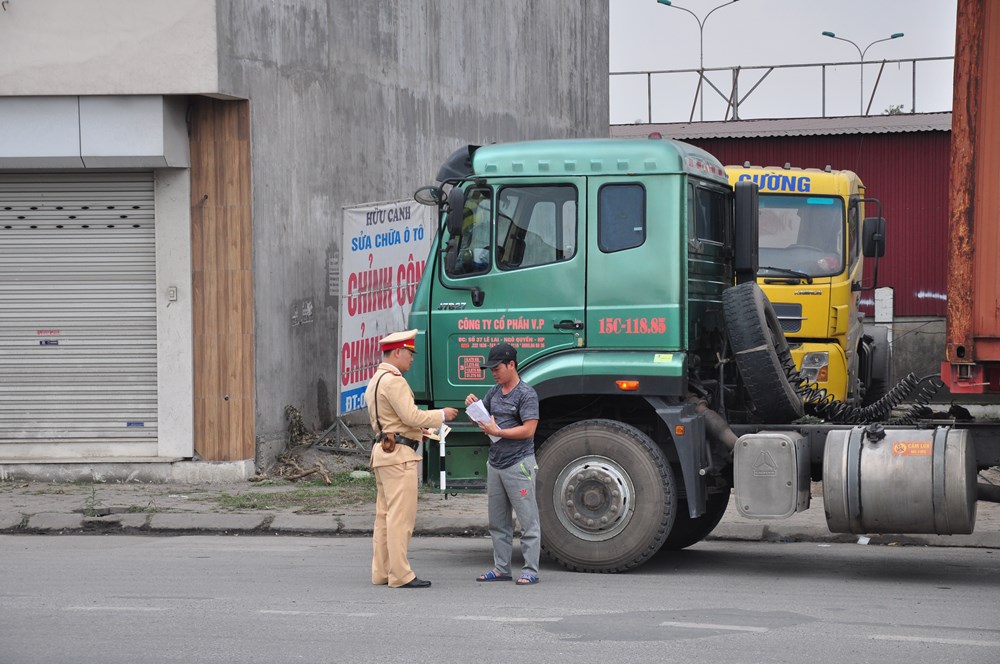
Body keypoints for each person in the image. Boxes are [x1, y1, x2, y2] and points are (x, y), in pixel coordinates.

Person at [365, 329, 458, 589]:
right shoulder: (395, 381)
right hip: (399, 457)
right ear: (397, 352)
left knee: (384, 517)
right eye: (409, 353)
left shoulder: (376, 379)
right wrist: (441, 415)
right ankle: (401, 575)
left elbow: (392, 421)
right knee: (400, 519)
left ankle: (382, 572)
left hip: (384, 452)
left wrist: (419, 432)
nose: (412, 358)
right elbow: (411, 416)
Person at [464, 343, 541, 586]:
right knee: (498, 523)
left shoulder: (526, 394)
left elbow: (529, 430)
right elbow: (483, 420)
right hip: (496, 464)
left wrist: (498, 432)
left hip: (519, 464)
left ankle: (530, 570)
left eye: (497, 368)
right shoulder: (494, 392)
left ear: (511, 365)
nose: (493, 373)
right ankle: (501, 569)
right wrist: (473, 406)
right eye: (491, 369)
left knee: (528, 521)